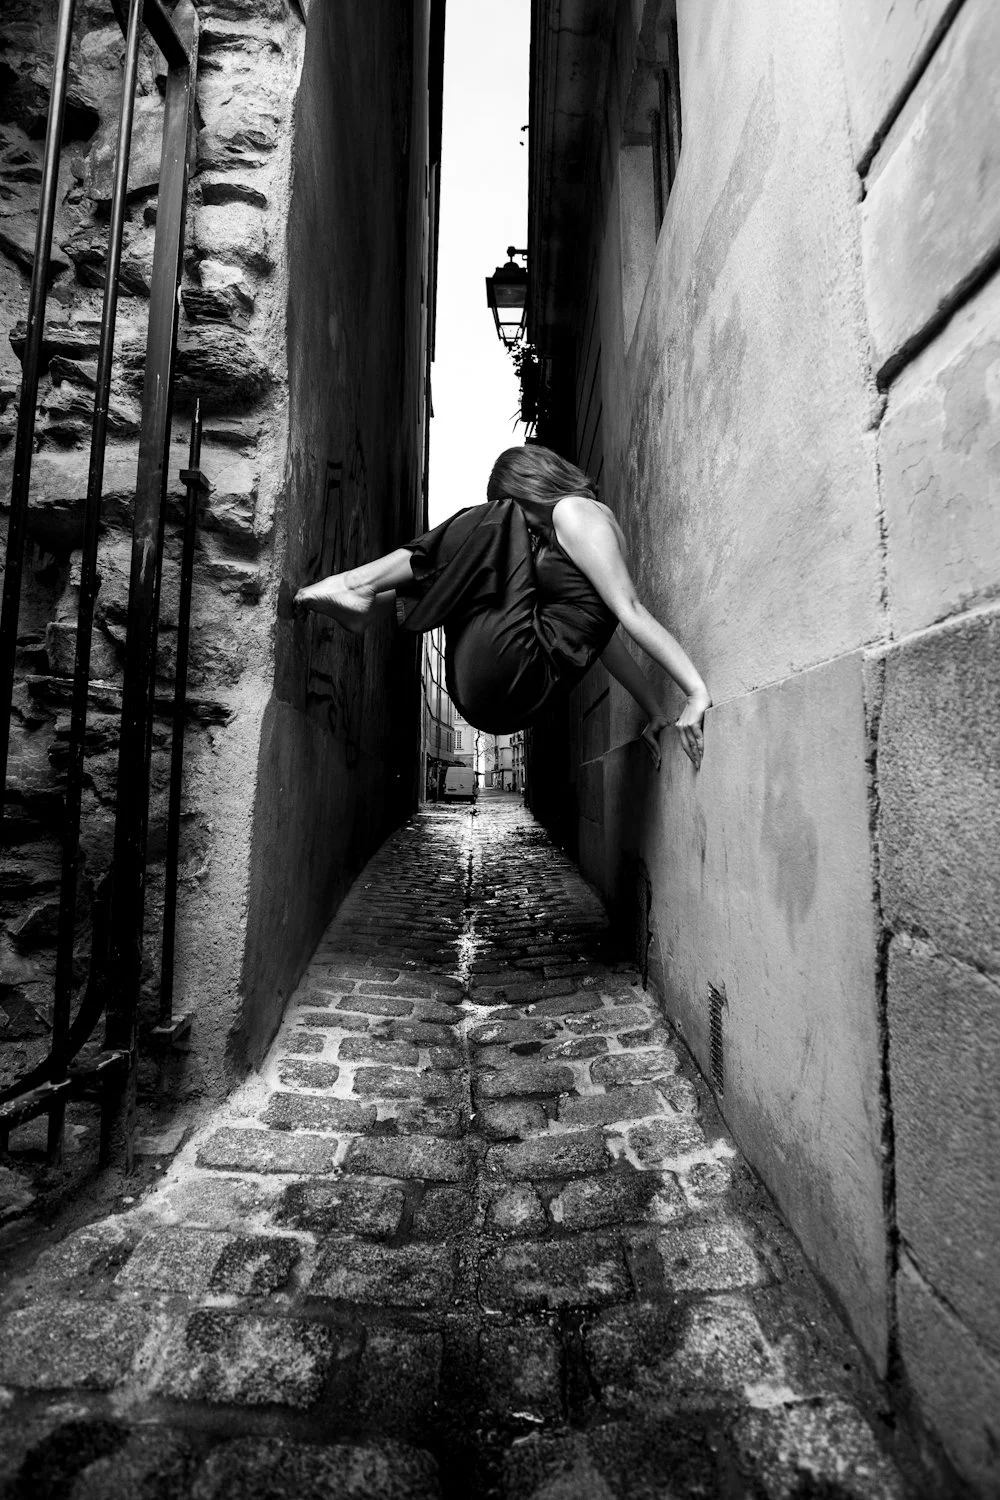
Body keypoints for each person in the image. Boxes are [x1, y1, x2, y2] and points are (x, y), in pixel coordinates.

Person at [294, 445, 711, 770]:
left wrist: (694, 692)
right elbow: (601, 641)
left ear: (530, 486)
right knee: (475, 565)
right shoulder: (572, 537)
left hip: (516, 674)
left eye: (517, 506)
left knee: (489, 524)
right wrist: (655, 711)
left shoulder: (573, 512)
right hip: (505, 696)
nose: (524, 527)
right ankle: (374, 604)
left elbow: (630, 609)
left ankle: (358, 585)